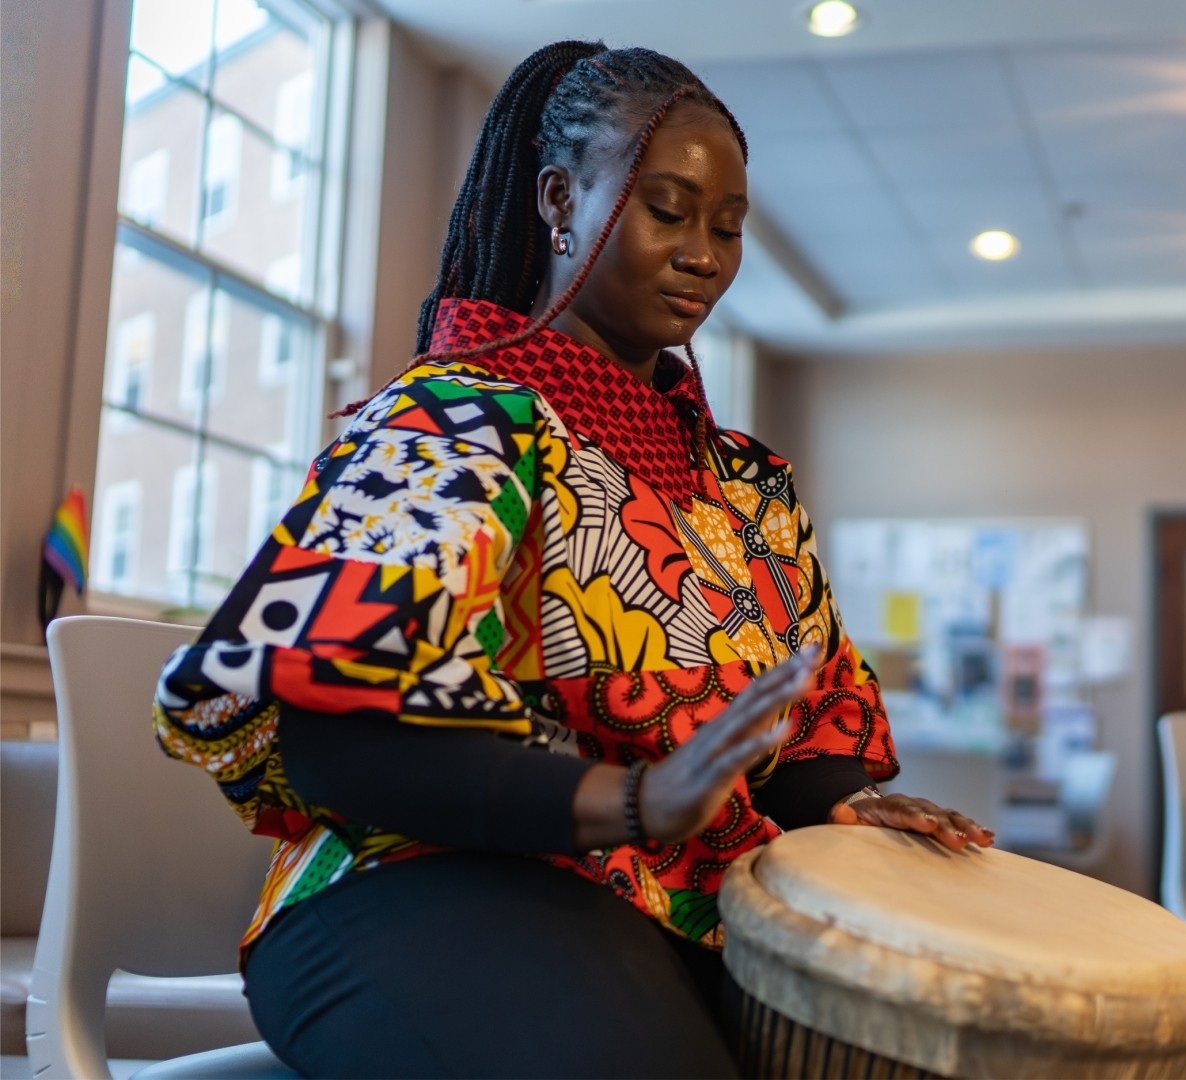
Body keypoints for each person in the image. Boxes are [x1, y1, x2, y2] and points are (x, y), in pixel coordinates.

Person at [153, 41, 991, 1079]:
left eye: (726, 228)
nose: (704, 254)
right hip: (426, 882)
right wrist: (626, 803)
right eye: (669, 211)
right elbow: (342, 735)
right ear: (559, 201)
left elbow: (803, 727)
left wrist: (843, 805)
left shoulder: (748, 486)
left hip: (690, 904)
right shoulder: (456, 424)